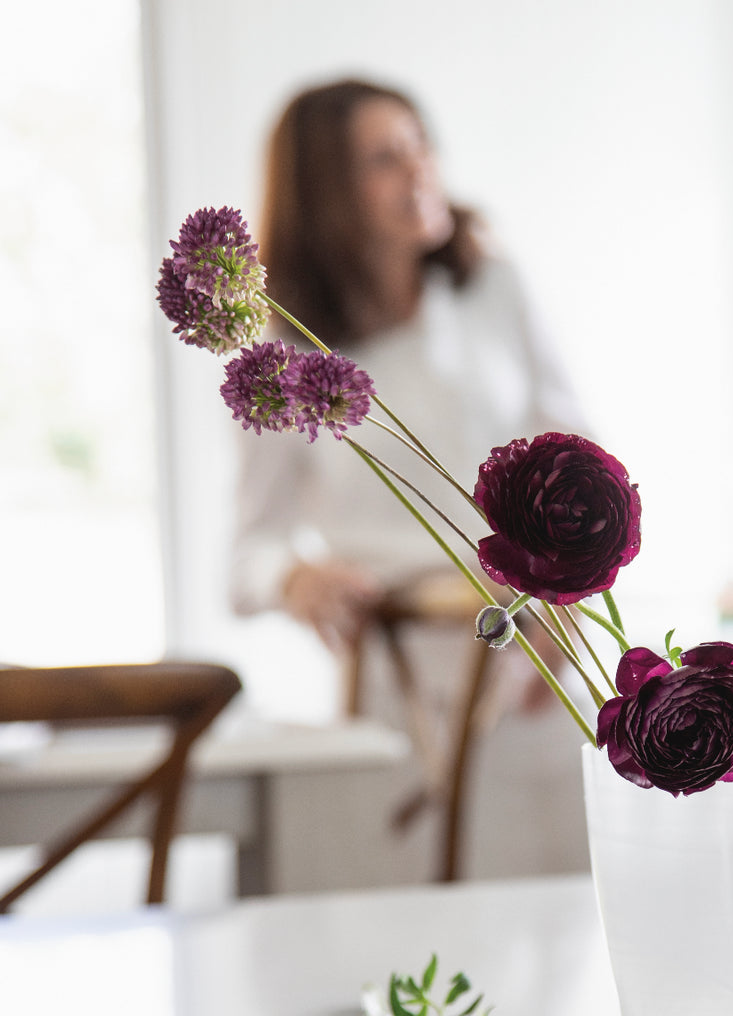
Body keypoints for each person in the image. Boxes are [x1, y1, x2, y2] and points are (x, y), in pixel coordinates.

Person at [229, 77, 592, 877]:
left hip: (534, 664)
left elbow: (581, 464)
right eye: (385, 159)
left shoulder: (494, 286)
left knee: (555, 921)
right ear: (326, 190)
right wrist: (295, 577)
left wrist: (573, 597)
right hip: (397, 691)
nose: (420, 170)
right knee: (420, 943)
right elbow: (247, 553)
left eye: (421, 145)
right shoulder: (283, 344)